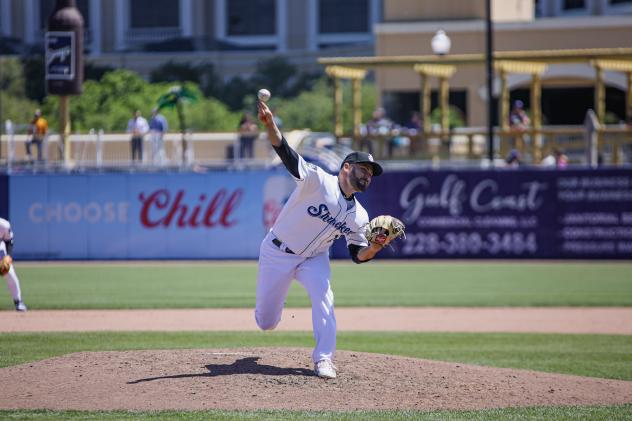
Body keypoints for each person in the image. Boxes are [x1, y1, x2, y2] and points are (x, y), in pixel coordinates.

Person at [255, 100, 392, 379]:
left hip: (315, 258)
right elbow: (286, 153)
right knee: (266, 322)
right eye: (363, 168)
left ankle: (324, 359)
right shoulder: (317, 181)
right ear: (345, 167)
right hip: (278, 251)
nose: (368, 174)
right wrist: (270, 126)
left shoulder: (360, 216)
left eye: (371, 172)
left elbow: (357, 254)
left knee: (324, 296)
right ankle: (270, 312)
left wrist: (375, 247)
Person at [0, 218, 27, 312]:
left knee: (10, 274)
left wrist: (8, 256)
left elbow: (9, 241)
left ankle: (18, 302)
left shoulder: (3, 224)